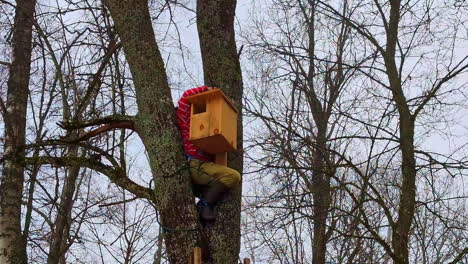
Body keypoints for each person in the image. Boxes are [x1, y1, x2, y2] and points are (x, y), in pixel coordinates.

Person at [176, 86, 241, 222]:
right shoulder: (188, 125)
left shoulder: (211, 136)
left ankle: (204, 205)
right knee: (232, 176)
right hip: (195, 165)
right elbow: (185, 98)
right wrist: (210, 90)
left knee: (223, 181)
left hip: (204, 168)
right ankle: (205, 205)